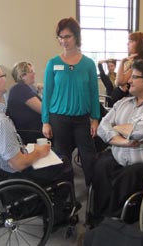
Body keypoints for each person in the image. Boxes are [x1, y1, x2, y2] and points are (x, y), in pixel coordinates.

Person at [0, 58, 73, 190]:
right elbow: (18, 164)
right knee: (64, 162)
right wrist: (38, 152)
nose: (6, 79)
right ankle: (63, 206)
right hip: (13, 178)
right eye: (3, 76)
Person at [92, 60, 143, 223]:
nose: (128, 81)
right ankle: (99, 218)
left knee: (127, 177)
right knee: (100, 166)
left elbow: (141, 131)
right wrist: (122, 142)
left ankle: (113, 223)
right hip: (119, 154)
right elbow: (102, 127)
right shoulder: (123, 103)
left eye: (134, 77)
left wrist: (117, 127)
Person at [42, 17, 100, 187]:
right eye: (60, 37)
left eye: (67, 36)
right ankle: (67, 200)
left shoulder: (88, 64)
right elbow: (47, 94)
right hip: (58, 119)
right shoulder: (53, 63)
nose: (63, 41)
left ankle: (95, 195)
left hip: (82, 119)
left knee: (89, 157)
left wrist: (95, 118)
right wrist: (45, 121)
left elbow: (93, 93)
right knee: (63, 160)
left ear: (76, 37)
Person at [7, 61, 44, 144]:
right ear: (22, 76)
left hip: (31, 130)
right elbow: (43, 110)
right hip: (31, 132)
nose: (34, 74)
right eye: (31, 72)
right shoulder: (20, 89)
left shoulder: (22, 89)